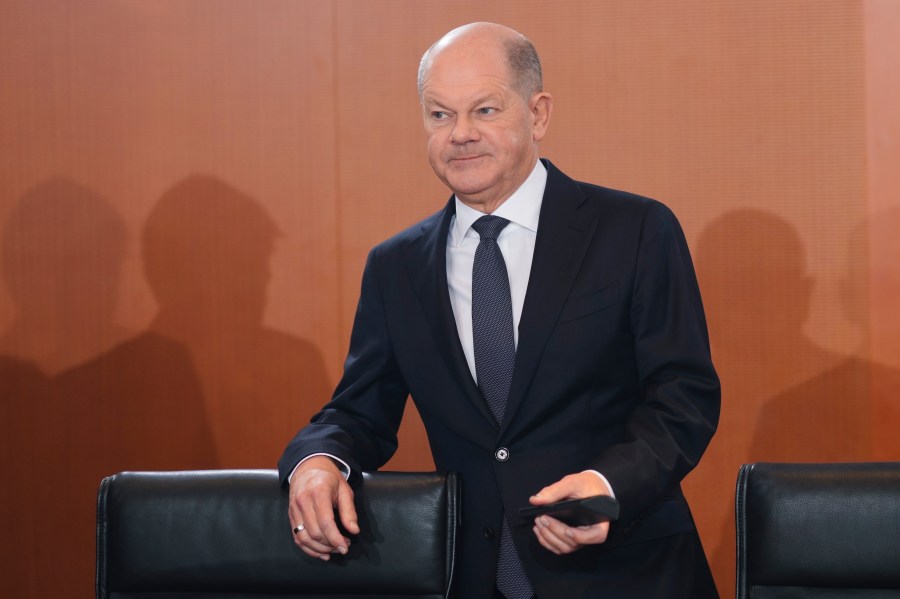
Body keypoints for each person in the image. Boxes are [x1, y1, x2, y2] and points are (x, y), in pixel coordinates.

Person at [279, 22, 720, 599]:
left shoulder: (634, 230)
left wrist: (609, 482)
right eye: (440, 115)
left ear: (537, 114)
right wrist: (317, 462)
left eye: (484, 110)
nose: (460, 134)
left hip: (627, 571)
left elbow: (683, 394)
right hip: (474, 577)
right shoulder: (396, 266)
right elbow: (360, 411)